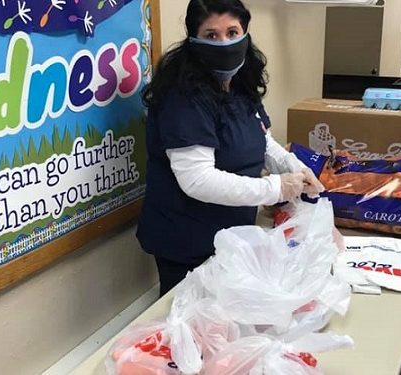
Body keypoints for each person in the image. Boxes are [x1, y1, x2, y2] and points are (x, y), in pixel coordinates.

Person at [136, 0, 324, 297]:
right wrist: (275, 188)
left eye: (232, 32)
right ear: (193, 39)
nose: (224, 43)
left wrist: (293, 167)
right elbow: (197, 180)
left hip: (233, 235)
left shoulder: (239, 83)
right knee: (195, 328)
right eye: (211, 35)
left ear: (245, 33)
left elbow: (261, 139)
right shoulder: (182, 97)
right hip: (188, 241)